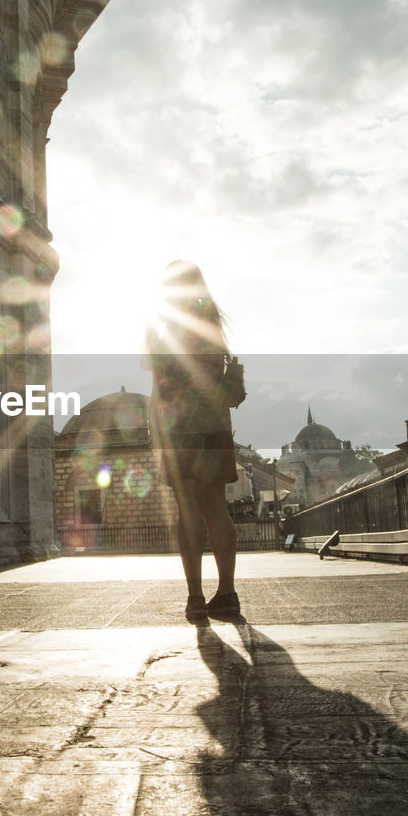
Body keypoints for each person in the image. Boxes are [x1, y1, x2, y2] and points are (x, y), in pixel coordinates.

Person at [144, 261, 241, 620]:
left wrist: (153, 431)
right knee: (217, 508)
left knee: (187, 512)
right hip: (214, 428)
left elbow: (157, 387)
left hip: (179, 430)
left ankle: (195, 598)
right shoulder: (212, 326)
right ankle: (227, 593)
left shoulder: (160, 328)